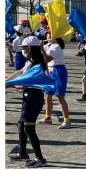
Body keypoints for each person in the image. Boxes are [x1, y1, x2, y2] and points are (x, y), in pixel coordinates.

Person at [7, 36, 48, 167]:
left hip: (33, 97)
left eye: (25, 47)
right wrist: (7, 80)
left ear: (31, 48)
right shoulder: (30, 61)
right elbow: (20, 72)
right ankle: (23, 152)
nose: (23, 50)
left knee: (29, 128)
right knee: (21, 124)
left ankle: (40, 159)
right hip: (29, 96)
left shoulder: (37, 65)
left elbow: (27, 83)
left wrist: (10, 85)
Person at [39, 35, 71, 129]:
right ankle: (48, 117)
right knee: (47, 95)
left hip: (58, 71)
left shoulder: (56, 46)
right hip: (50, 70)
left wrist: (41, 48)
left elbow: (46, 59)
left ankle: (66, 120)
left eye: (49, 34)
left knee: (60, 97)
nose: (47, 35)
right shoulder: (49, 45)